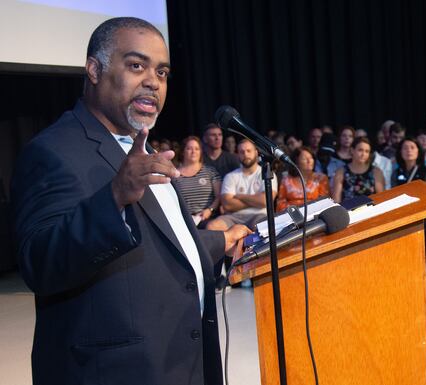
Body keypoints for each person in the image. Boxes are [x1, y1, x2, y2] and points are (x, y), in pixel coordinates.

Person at [10, 17, 250, 385]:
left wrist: (222, 239)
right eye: (137, 65)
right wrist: (114, 197)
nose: (154, 81)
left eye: (163, 71)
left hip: (182, 361)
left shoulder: (143, 148)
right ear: (94, 69)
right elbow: (39, 264)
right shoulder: (52, 151)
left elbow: (160, 241)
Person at [206, 139, 278, 231]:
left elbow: (265, 201)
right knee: (212, 226)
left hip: (259, 215)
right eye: (242, 152)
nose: (246, 154)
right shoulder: (230, 176)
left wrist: (239, 196)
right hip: (233, 217)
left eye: (249, 151)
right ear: (238, 154)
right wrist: (256, 202)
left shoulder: (267, 173)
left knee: (264, 226)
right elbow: (227, 205)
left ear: (256, 152)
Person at [176, 136, 221, 227]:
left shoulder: (210, 171)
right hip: (184, 221)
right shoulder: (174, 174)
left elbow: (219, 196)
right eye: (189, 148)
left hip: (209, 219)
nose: (193, 152)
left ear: (201, 152)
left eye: (197, 149)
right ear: (183, 152)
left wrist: (210, 210)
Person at [332, 137, 384, 202]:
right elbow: (336, 200)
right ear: (352, 150)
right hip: (347, 211)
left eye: (367, 151)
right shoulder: (341, 172)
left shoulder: (376, 172)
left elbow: (381, 198)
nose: (363, 154)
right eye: (360, 150)